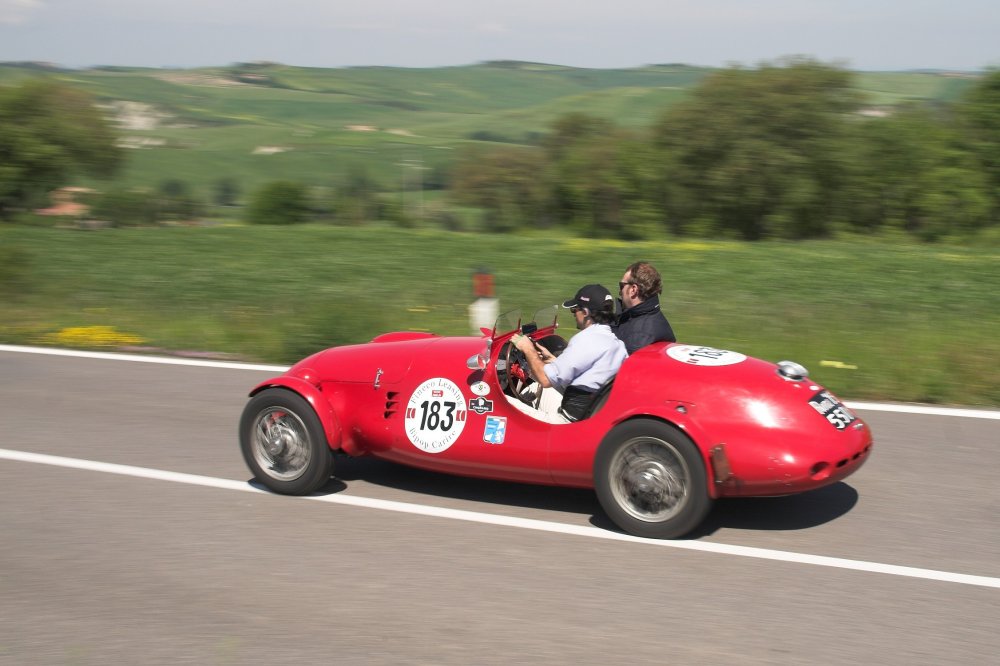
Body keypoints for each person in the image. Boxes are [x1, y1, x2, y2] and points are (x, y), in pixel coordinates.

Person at [513, 284, 628, 421]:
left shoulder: (586, 339)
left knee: (502, 404)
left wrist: (528, 348)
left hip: (567, 422)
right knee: (537, 388)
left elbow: (544, 379)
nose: (573, 314)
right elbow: (591, 375)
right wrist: (555, 361)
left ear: (585, 312)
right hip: (593, 416)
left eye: (574, 310)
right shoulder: (616, 343)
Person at [613, 261, 676, 354]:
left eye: (621, 286)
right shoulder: (653, 315)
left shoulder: (636, 339)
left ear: (633, 290)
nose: (620, 292)